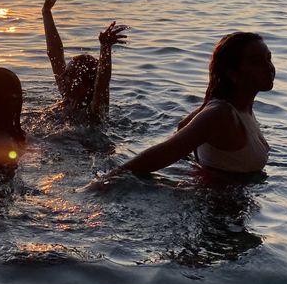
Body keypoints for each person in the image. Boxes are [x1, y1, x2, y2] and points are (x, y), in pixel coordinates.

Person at [97, 32, 275, 181]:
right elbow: (160, 155)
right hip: (215, 213)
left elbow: (183, 126)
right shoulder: (221, 114)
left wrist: (202, 166)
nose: (269, 67)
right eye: (257, 61)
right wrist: (105, 182)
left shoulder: (240, 108)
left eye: (269, 59)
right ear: (232, 73)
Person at [41, 0, 127, 122]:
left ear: (86, 86)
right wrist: (46, 13)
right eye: (66, 73)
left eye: (70, 75)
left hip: (86, 141)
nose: (64, 77)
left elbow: (102, 81)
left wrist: (105, 49)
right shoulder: (68, 93)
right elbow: (55, 55)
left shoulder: (95, 109)